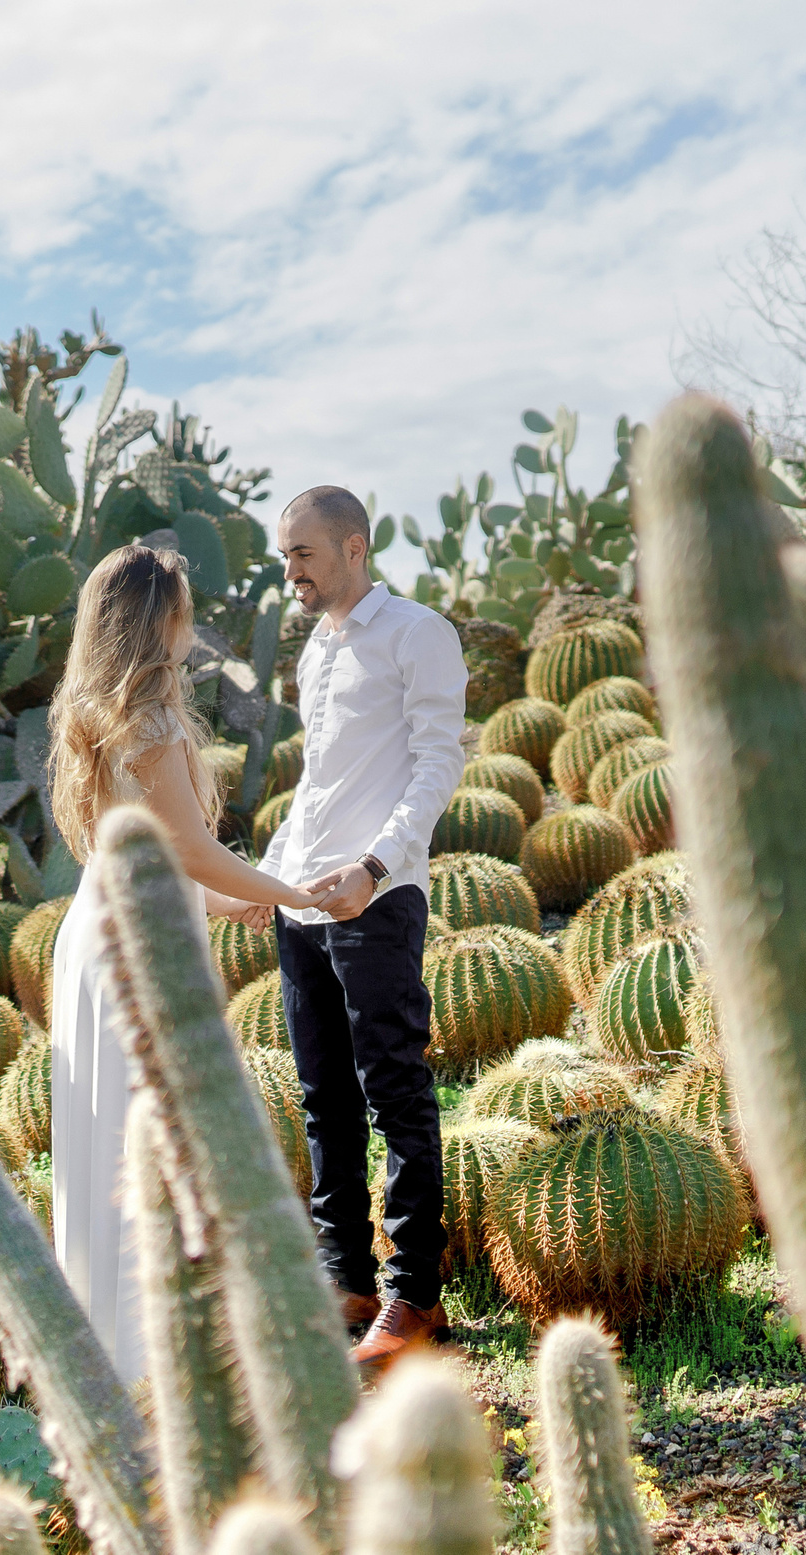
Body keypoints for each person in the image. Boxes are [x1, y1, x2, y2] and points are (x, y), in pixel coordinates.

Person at [46, 542, 328, 1379]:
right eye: (183, 609)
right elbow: (194, 849)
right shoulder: (151, 722)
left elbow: (142, 853)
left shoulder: (92, 712)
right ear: (157, 619)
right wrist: (294, 893)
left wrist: (226, 900)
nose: (191, 626)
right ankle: (159, 1365)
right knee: (155, 1142)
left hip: (98, 927)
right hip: (141, 946)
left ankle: (109, 1358)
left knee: (105, 1138)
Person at [249, 484, 467, 1376]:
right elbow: (320, 782)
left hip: (375, 900)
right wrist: (267, 876)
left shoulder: (417, 632)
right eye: (284, 556)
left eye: (302, 553)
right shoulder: (316, 650)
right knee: (323, 1097)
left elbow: (437, 761)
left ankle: (412, 1293)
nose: (290, 572)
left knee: (395, 1090)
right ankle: (342, 1277)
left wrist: (373, 870)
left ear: (353, 546)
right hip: (302, 900)